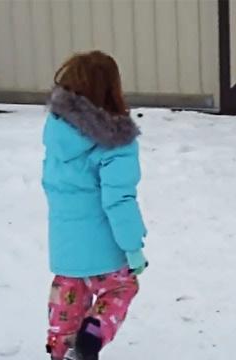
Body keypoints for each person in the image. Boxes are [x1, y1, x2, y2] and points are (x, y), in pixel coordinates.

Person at [42, 50, 148, 360]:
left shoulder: (56, 133)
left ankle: (59, 350)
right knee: (121, 289)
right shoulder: (116, 142)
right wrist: (133, 249)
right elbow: (119, 201)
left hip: (64, 248)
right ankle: (91, 337)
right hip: (106, 250)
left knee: (67, 301)